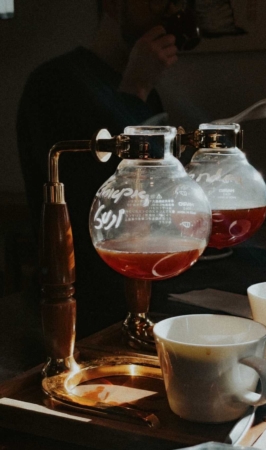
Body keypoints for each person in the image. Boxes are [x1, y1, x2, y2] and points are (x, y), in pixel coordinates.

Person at [16, 0, 183, 339]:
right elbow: (94, 201)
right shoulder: (53, 84)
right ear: (112, 5)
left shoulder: (146, 89)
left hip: (143, 283)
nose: (165, 16)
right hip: (82, 304)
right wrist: (134, 90)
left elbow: (153, 192)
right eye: (153, 5)